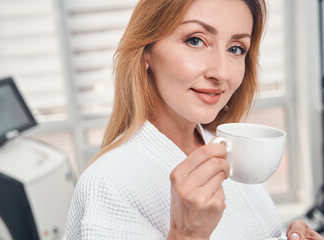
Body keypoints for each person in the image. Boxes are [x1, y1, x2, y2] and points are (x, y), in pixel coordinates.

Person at [66, 0, 323, 239]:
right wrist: (185, 236)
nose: (221, 73)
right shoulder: (108, 184)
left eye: (236, 48)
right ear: (147, 52)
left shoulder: (228, 149)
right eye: (196, 41)